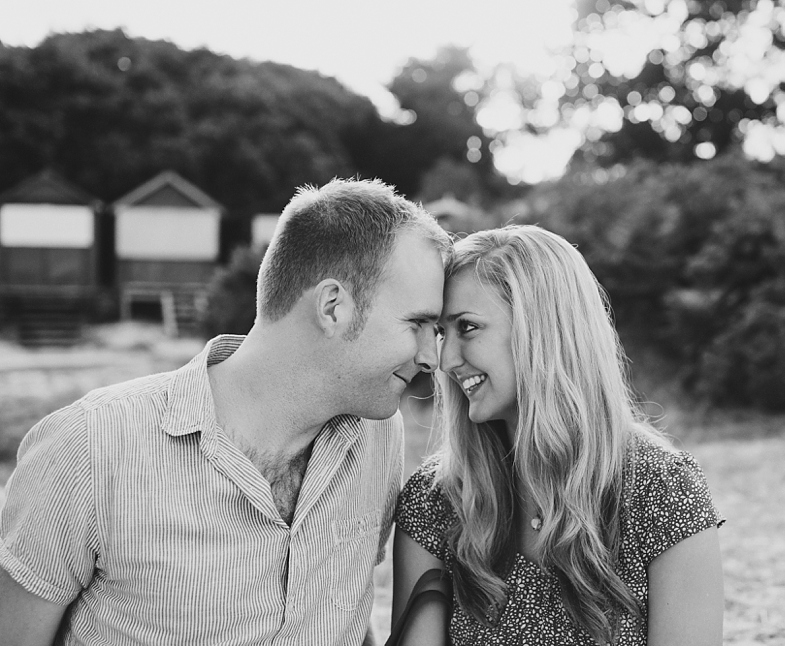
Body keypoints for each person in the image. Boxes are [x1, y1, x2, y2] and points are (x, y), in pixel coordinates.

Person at [0, 178, 451, 646]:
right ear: (333, 306)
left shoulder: (379, 439)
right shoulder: (88, 448)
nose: (430, 357)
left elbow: (349, 617)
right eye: (417, 323)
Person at [391, 225, 724, 646]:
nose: (444, 359)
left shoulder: (662, 491)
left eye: (468, 328)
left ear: (542, 330)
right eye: (442, 333)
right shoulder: (435, 500)